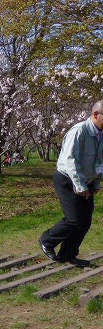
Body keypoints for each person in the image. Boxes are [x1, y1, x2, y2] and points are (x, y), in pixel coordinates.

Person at [39, 100, 103, 268]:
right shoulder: (79, 131)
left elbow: (99, 161)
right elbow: (70, 161)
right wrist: (80, 186)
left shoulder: (102, 134)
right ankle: (47, 240)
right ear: (96, 114)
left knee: (85, 222)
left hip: (87, 182)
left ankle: (67, 255)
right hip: (68, 180)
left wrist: (96, 183)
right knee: (74, 220)